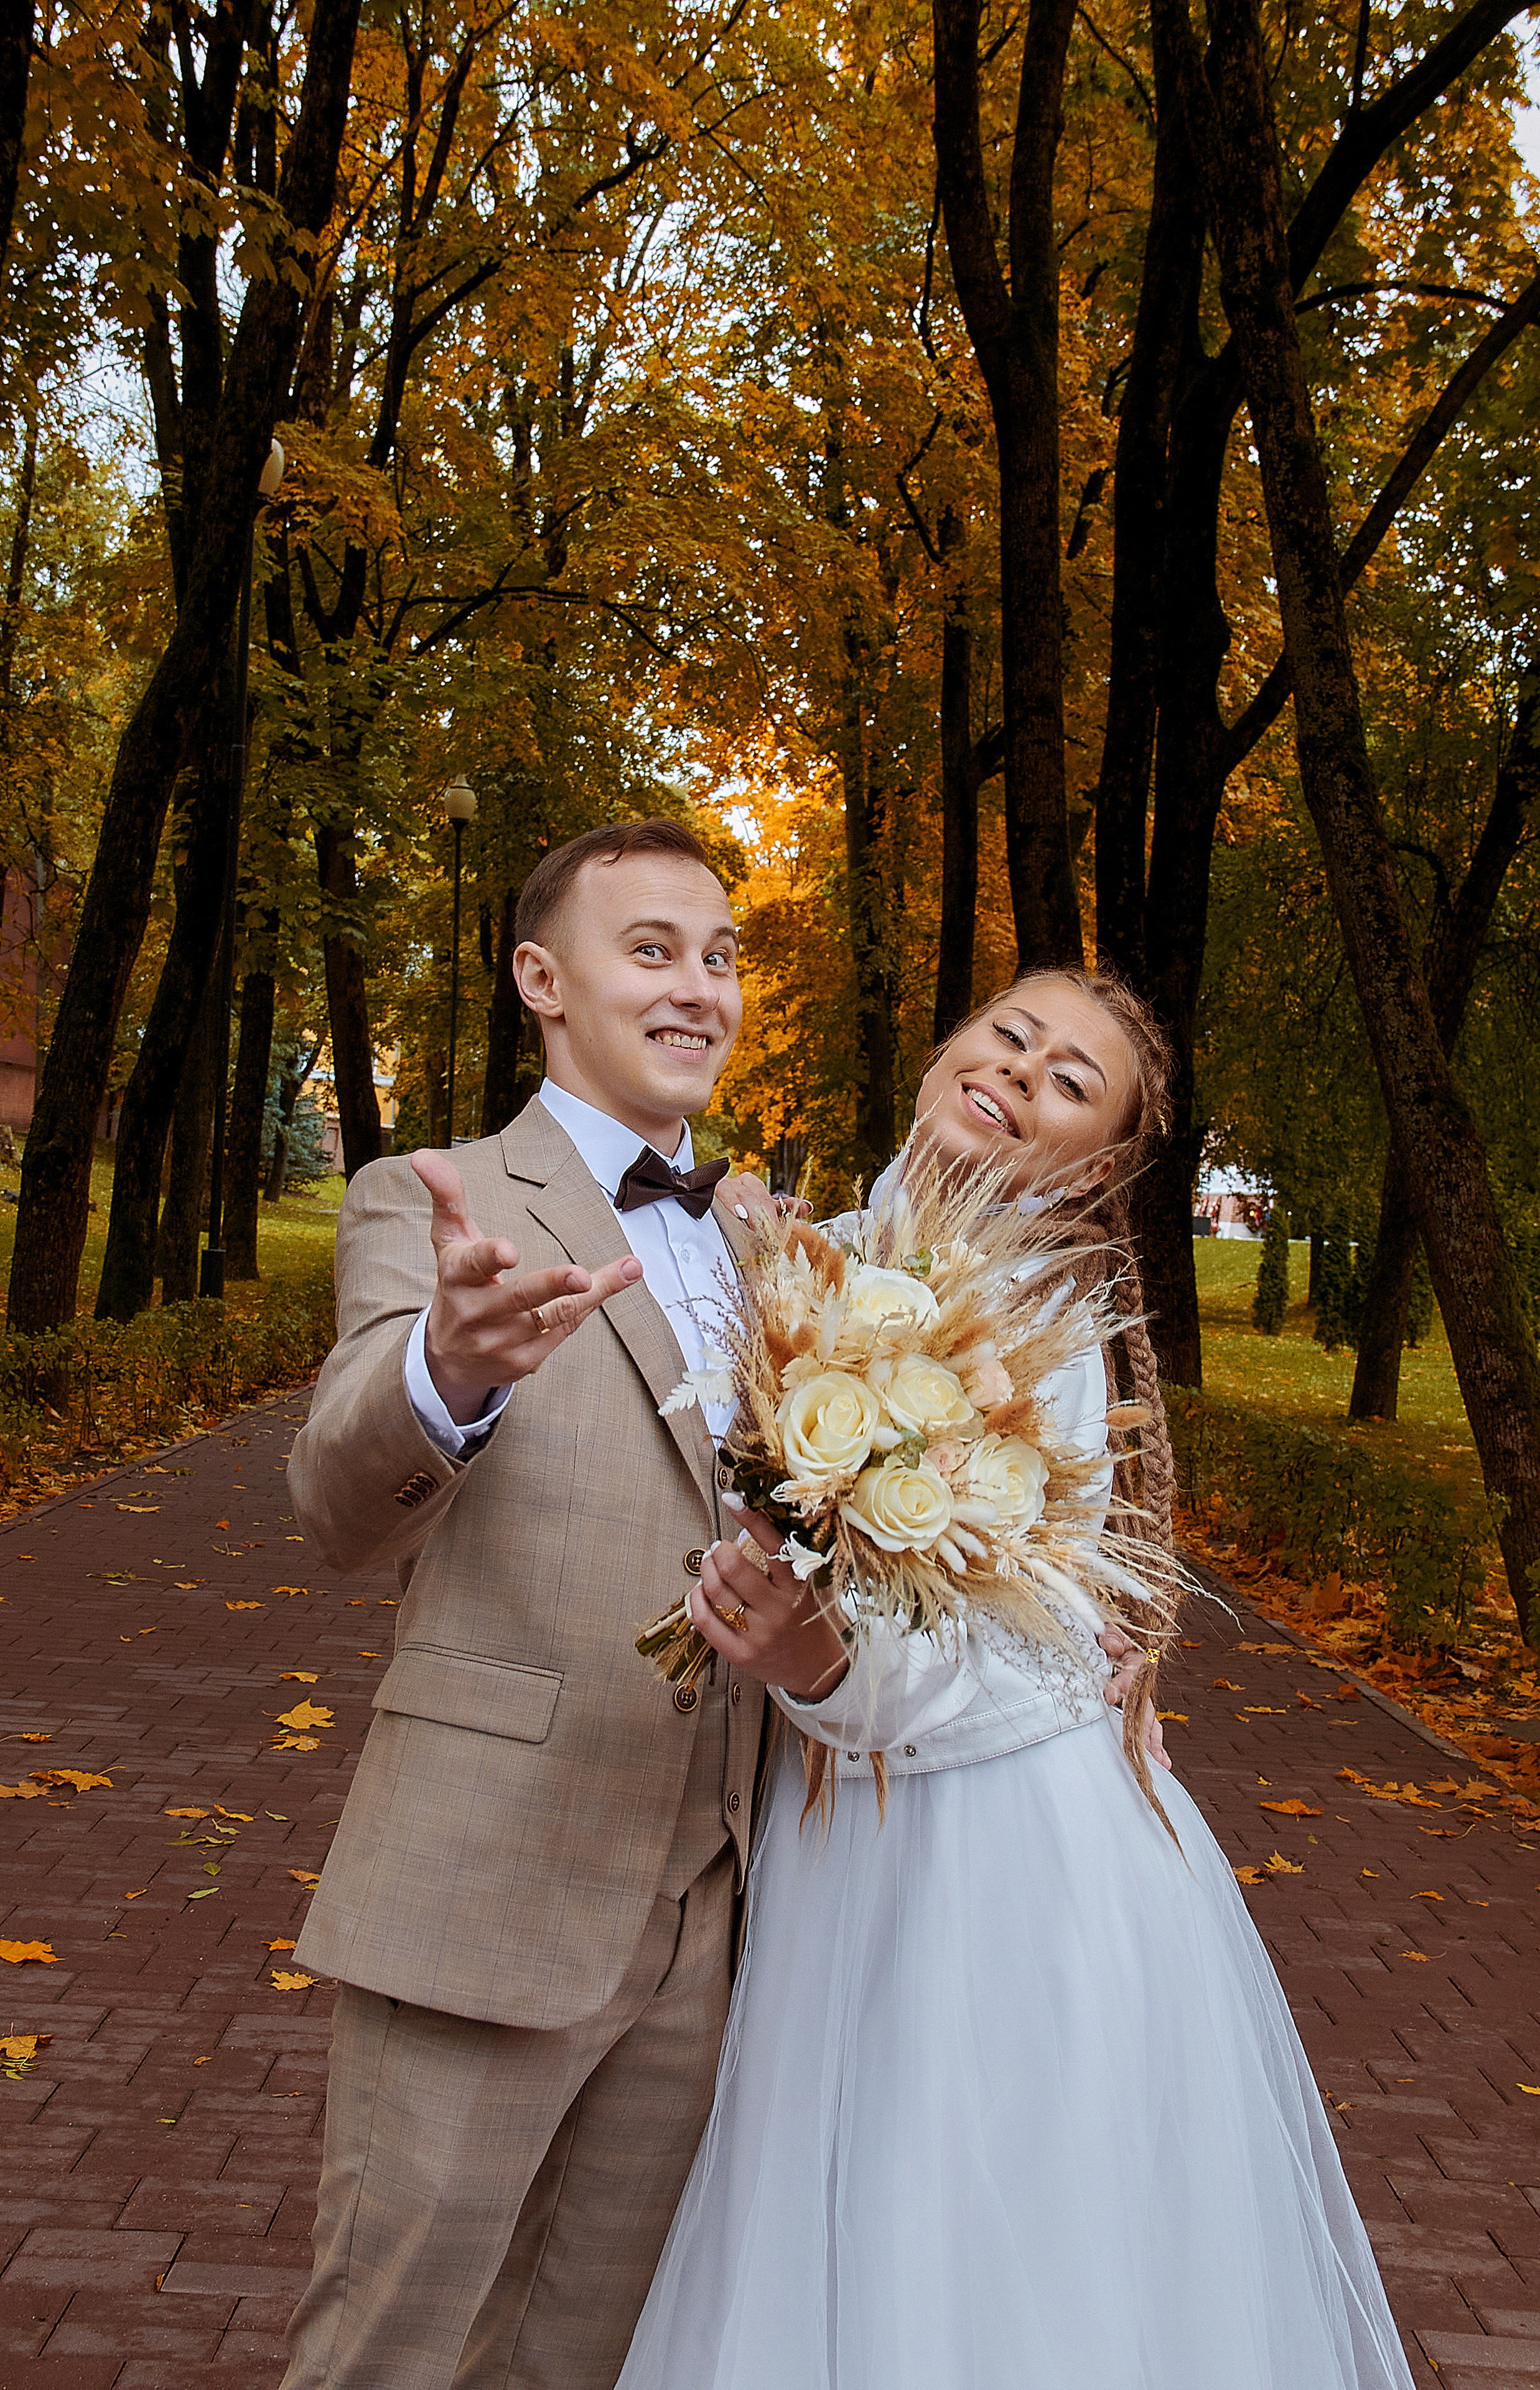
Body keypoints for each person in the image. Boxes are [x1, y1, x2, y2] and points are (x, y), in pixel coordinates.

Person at [615, 968, 1419, 2390]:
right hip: (835, 1838)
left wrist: (811, 1661)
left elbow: (1003, 1656)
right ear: (945, 1046)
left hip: (993, 1867)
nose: (1019, 1070)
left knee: (975, 2262)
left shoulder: (1037, 1326)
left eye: (1067, 1079)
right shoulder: (819, 1252)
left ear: (1095, 1163)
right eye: (1010, 1034)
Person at [279, 818, 841, 2390]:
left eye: (719, 956)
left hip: (707, 1910)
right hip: (489, 1885)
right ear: (542, 977)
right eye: (649, 949)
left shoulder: (763, 1238)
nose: (697, 989)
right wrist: (446, 1366)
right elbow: (333, 1500)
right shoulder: (435, 1196)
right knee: (389, 2354)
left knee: (575, 2360)